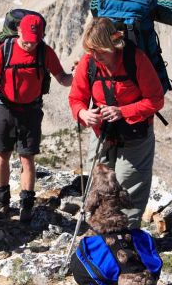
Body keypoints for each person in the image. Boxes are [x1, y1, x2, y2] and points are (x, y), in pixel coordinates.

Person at [68, 17, 164, 229]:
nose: (95, 56)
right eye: (91, 51)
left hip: (135, 134)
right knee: (100, 185)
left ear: (113, 45)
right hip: (102, 132)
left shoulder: (136, 59)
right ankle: (100, 235)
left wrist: (123, 111)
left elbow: (156, 100)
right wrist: (83, 114)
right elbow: (76, 99)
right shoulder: (88, 62)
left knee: (128, 188)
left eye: (99, 51)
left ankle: (126, 241)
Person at [0, 14, 73, 223]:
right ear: (19, 31)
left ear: (41, 37)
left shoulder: (45, 51)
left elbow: (62, 78)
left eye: (35, 40)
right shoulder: (5, 49)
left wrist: (77, 75)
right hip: (5, 106)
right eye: (27, 40)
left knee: (27, 158)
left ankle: (26, 207)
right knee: (2, 154)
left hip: (31, 110)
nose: (30, 44)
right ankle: (2, 204)